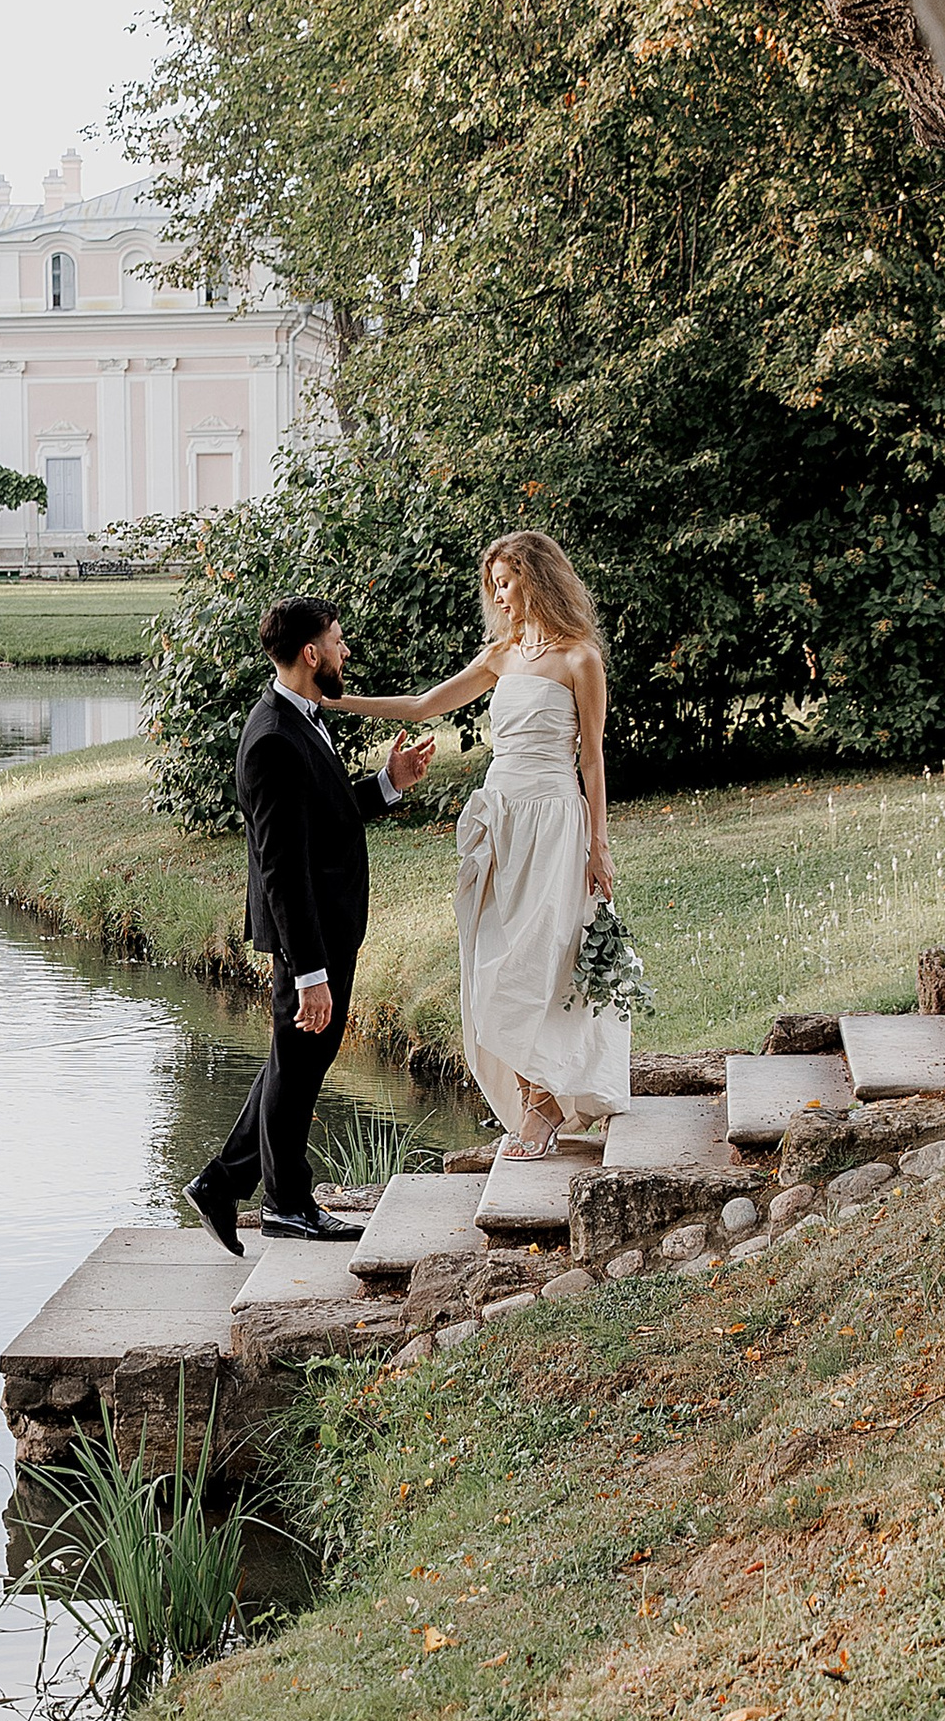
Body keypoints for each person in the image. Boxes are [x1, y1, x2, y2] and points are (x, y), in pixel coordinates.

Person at [335, 528, 627, 1157]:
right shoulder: (500, 655)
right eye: (493, 585)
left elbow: (593, 760)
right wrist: (338, 700)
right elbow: (422, 705)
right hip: (500, 822)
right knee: (492, 962)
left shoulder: (580, 659)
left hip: (553, 822)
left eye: (506, 582)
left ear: (536, 579)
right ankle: (533, 1098)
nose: (498, 595)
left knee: (542, 959)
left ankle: (542, 1108)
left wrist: (598, 845)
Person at [184, 598, 435, 1253]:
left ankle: (222, 1184)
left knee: (294, 1061)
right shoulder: (272, 737)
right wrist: (310, 972)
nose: (346, 652)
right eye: (339, 641)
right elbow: (281, 868)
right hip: (308, 934)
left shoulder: (299, 718)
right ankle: (285, 1204)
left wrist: (388, 783)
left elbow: (325, 816)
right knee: (298, 1063)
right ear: (312, 653)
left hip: (327, 927)